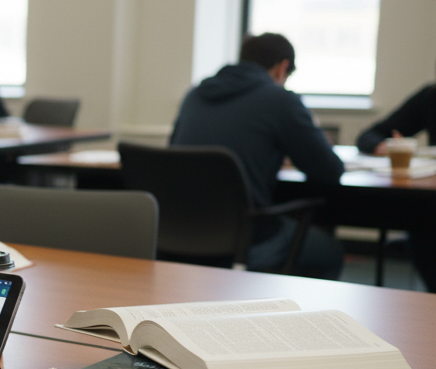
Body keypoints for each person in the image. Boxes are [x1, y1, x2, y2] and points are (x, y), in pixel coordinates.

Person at [169, 32, 345, 279]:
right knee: (329, 252)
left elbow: (174, 152)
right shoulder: (280, 100)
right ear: (282, 67)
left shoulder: (194, 94)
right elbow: (329, 170)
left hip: (177, 234)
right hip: (246, 239)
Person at [354, 77, 436, 292]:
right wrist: (381, 146)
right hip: (430, 206)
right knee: (423, 224)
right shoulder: (431, 96)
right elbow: (369, 135)